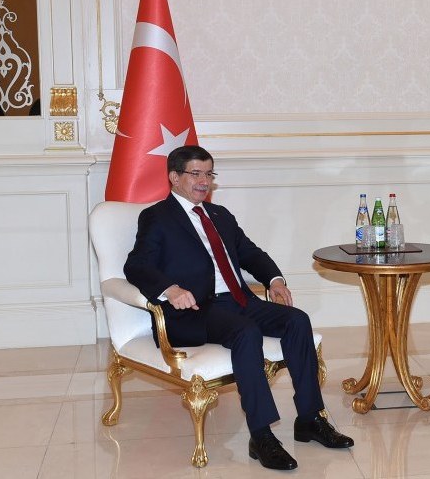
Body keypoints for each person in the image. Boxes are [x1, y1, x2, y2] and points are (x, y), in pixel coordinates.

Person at [124, 145, 353, 471]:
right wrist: (171, 290)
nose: (204, 181)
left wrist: (274, 279)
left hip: (239, 301)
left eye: (209, 174)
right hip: (194, 310)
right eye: (195, 174)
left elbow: (250, 253)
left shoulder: (220, 215)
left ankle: (309, 419)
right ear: (174, 177)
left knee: (297, 320)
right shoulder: (157, 217)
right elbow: (137, 265)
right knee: (246, 332)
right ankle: (261, 436)